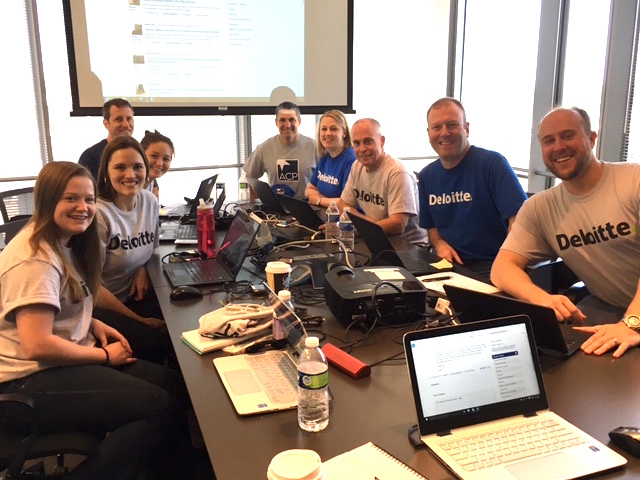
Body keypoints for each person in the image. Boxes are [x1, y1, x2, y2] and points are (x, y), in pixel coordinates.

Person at [0, 161, 186, 479]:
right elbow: (36, 344)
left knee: (172, 383)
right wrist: (103, 356)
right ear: (46, 199)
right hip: (26, 380)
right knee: (159, 407)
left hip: (57, 361)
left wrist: (90, 322)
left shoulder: (65, 241)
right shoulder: (34, 259)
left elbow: (65, 302)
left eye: (88, 199)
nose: (83, 208)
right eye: (70, 198)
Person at [491, 107, 640, 358]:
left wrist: (631, 323)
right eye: (549, 141)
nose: (558, 147)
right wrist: (541, 298)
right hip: (613, 307)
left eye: (568, 135)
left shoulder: (633, 181)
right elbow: (502, 268)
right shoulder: (540, 207)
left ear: (591, 139)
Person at [417, 98, 527, 277]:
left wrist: (507, 264)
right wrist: (440, 244)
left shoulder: (492, 164)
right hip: (448, 265)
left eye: (452, 125)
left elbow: (520, 222)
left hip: (491, 265)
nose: (444, 133)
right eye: (437, 127)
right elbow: (431, 228)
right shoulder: (427, 176)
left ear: (466, 129)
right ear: (428, 132)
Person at [94, 136, 171, 365]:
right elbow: (93, 289)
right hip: (103, 307)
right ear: (106, 172)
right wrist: (140, 321)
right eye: (120, 167)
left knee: (184, 317)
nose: (130, 175)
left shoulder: (149, 202)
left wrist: (143, 268)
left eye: (137, 166)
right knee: (159, 339)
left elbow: (153, 250)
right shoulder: (99, 215)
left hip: (133, 295)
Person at [338, 118, 425, 242]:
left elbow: (397, 225)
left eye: (368, 142)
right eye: (357, 143)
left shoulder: (398, 172)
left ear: (382, 141)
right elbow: (343, 205)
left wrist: (359, 227)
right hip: (375, 237)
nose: (362, 149)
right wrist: (369, 224)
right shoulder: (357, 166)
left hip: (407, 247)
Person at [243, 101, 318, 199]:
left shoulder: (315, 147)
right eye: (282, 120)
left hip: (309, 209)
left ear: (299, 122)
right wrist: (256, 206)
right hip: (276, 211)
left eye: (292, 120)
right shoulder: (264, 148)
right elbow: (250, 178)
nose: (287, 125)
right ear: (276, 122)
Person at [305, 110, 356, 208]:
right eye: (324, 129)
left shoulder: (351, 161)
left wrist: (319, 200)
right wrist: (329, 201)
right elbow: (309, 189)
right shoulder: (325, 157)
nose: (328, 133)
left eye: (333, 129)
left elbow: (346, 203)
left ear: (344, 133)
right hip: (325, 217)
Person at [79, 98, 135, 180]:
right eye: (118, 119)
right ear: (106, 124)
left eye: (129, 119)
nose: (126, 124)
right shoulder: (90, 156)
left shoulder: (139, 153)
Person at [141, 129, 175, 201]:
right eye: (154, 156)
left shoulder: (150, 183)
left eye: (166, 159)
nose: (159, 163)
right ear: (140, 154)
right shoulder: (131, 187)